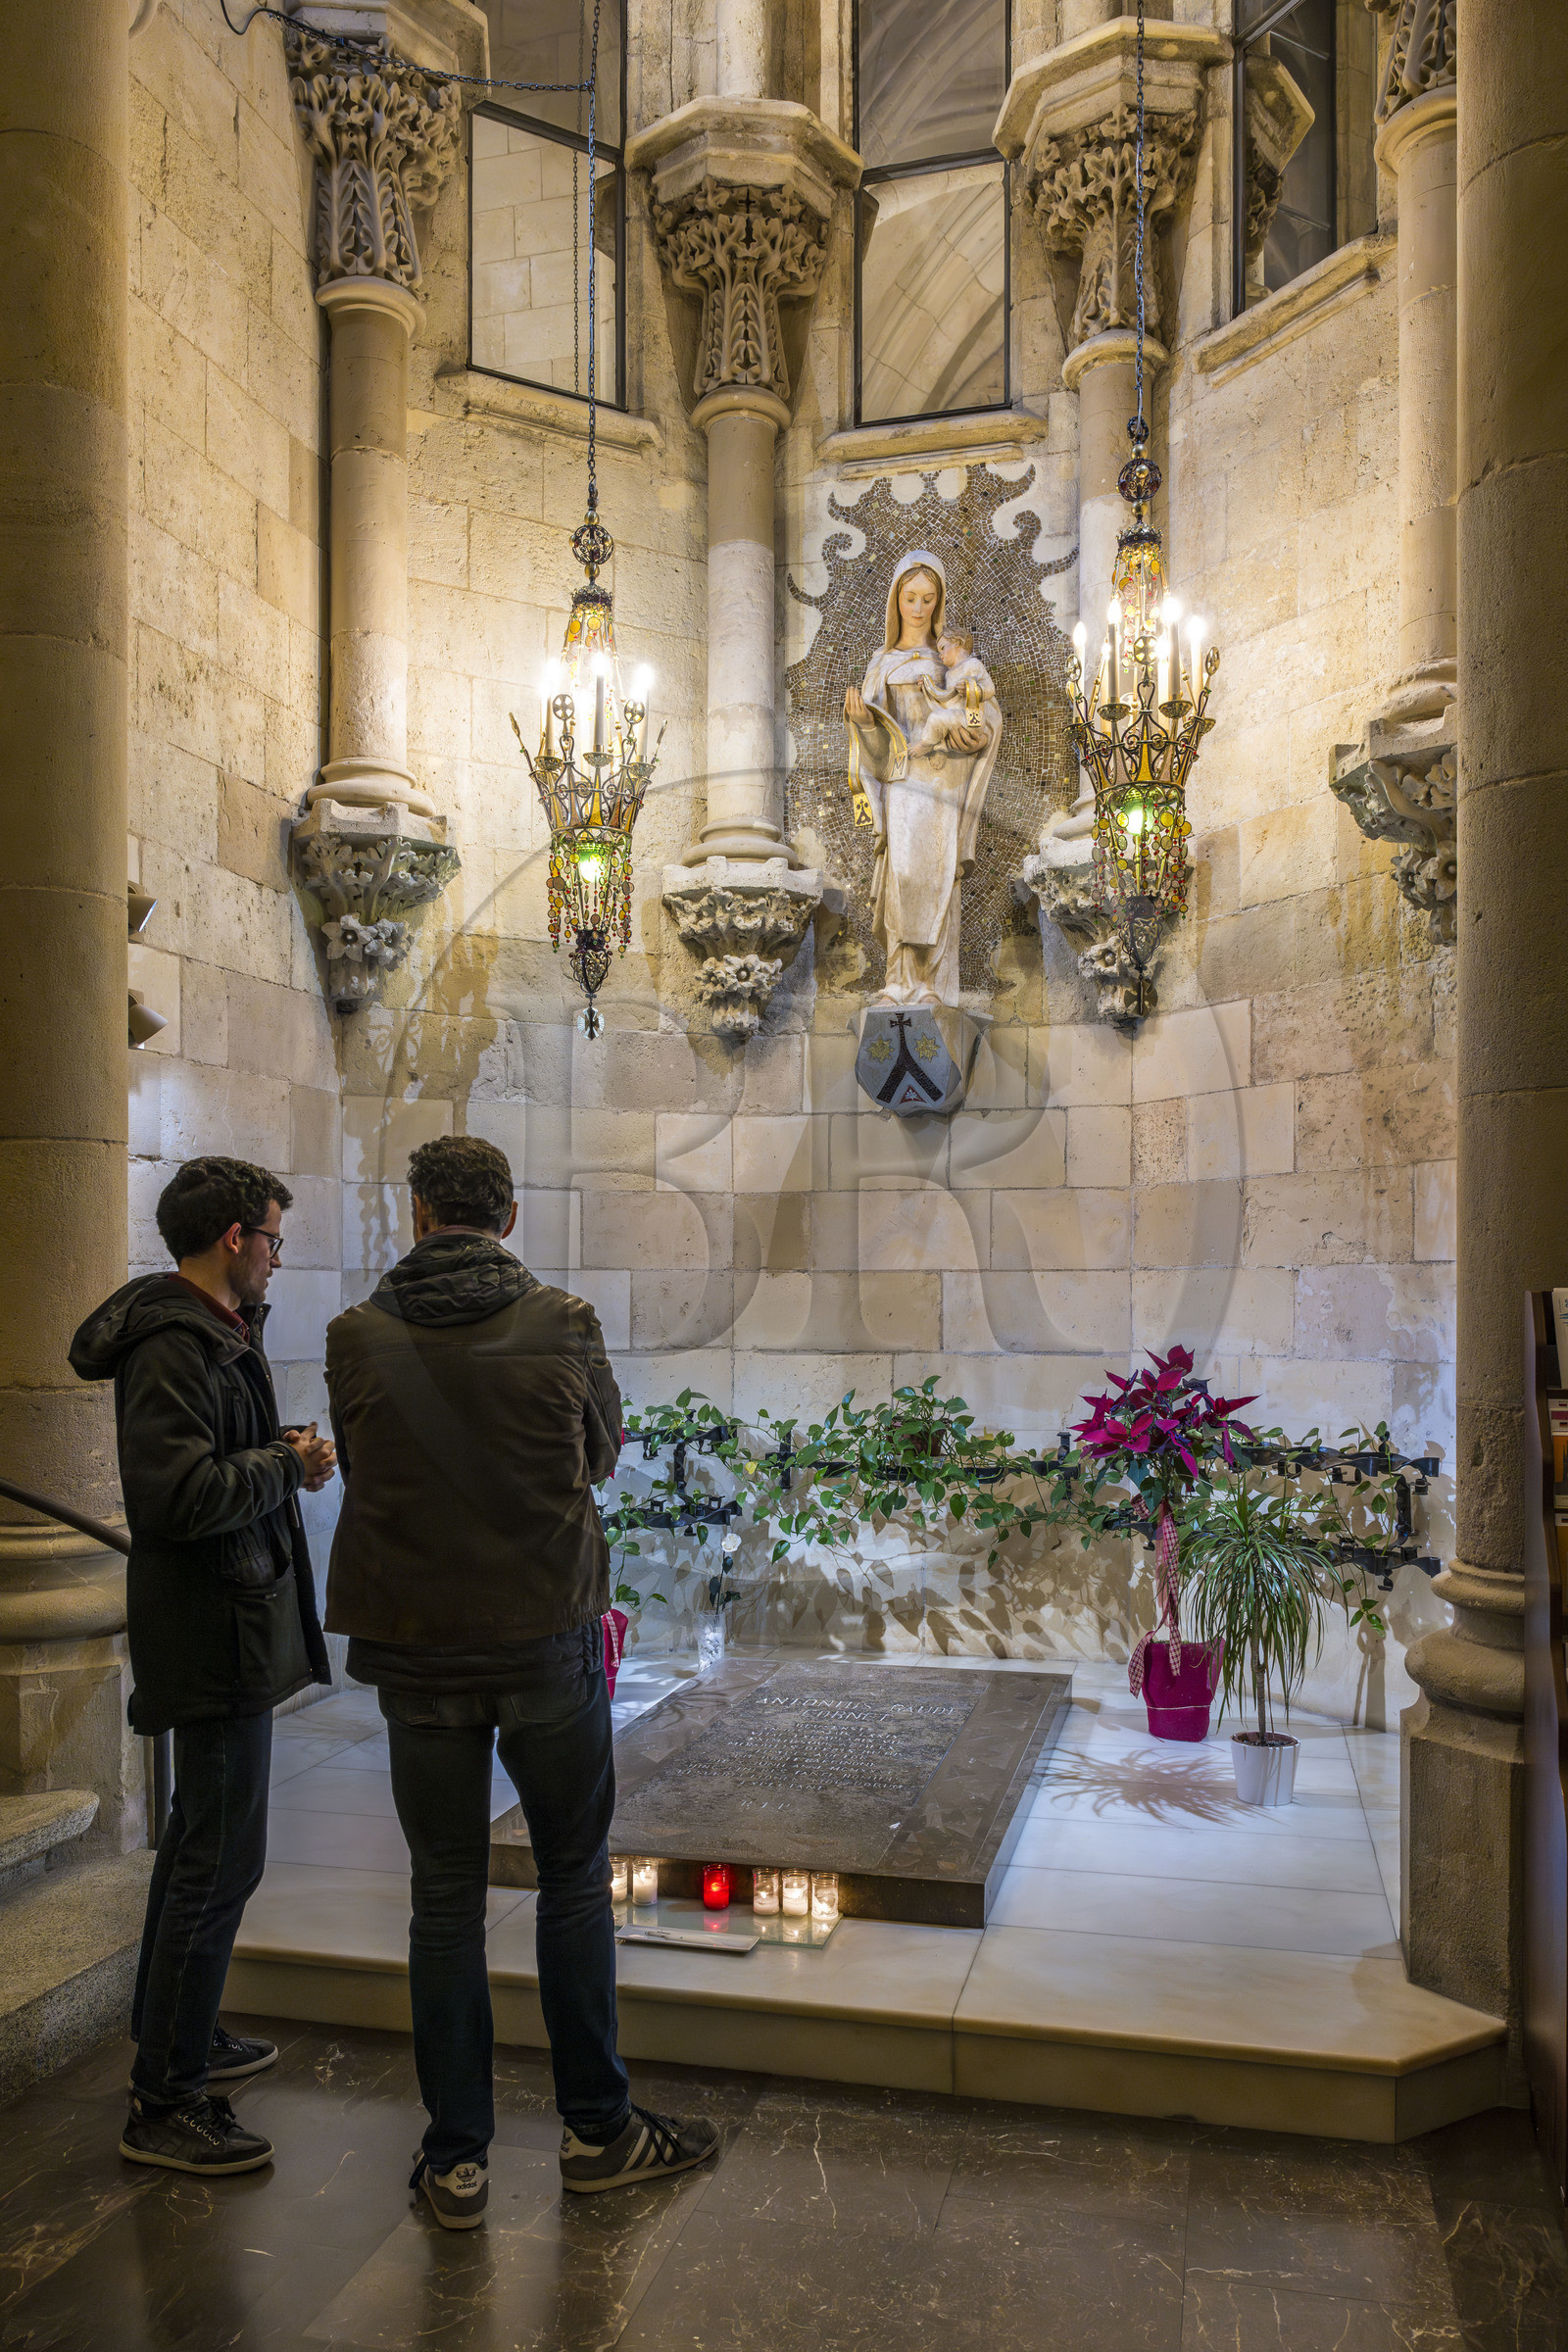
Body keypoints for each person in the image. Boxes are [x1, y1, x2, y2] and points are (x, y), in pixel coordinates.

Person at [323, 1134, 718, 2230]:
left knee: (443, 1896)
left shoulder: (354, 1335)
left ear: (416, 1213)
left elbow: (361, 1464)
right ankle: (598, 2133)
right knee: (572, 1879)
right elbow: (599, 1455)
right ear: (507, 1217)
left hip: (416, 1646)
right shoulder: (563, 1322)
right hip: (544, 1637)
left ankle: (456, 2162)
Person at [70, 1156, 336, 2177]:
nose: (276, 1257)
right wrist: (287, 1464)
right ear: (234, 1237)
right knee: (219, 1860)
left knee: (202, 1847)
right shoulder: (175, 1342)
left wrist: (273, 1449)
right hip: (210, 1630)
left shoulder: (214, 1331)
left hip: (227, 1622)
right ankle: (166, 2101)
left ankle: (178, 2036)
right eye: (272, 1239)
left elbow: (208, 1461)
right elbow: (176, 1498)